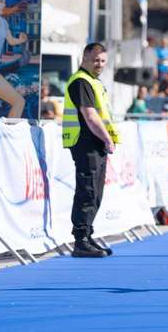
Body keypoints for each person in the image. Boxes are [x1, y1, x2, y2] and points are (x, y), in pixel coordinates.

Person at [62, 43, 119, 258]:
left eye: (103, 61)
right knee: (87, 190)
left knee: (95, 192)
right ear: (85, 57)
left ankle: (87, 235)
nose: (100, 65)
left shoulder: (94, 82)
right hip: (85, 141)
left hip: (95, 143)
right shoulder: (81, 82)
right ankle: (80, 240)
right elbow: (90, 115)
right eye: (96, 60)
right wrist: (107, 138)